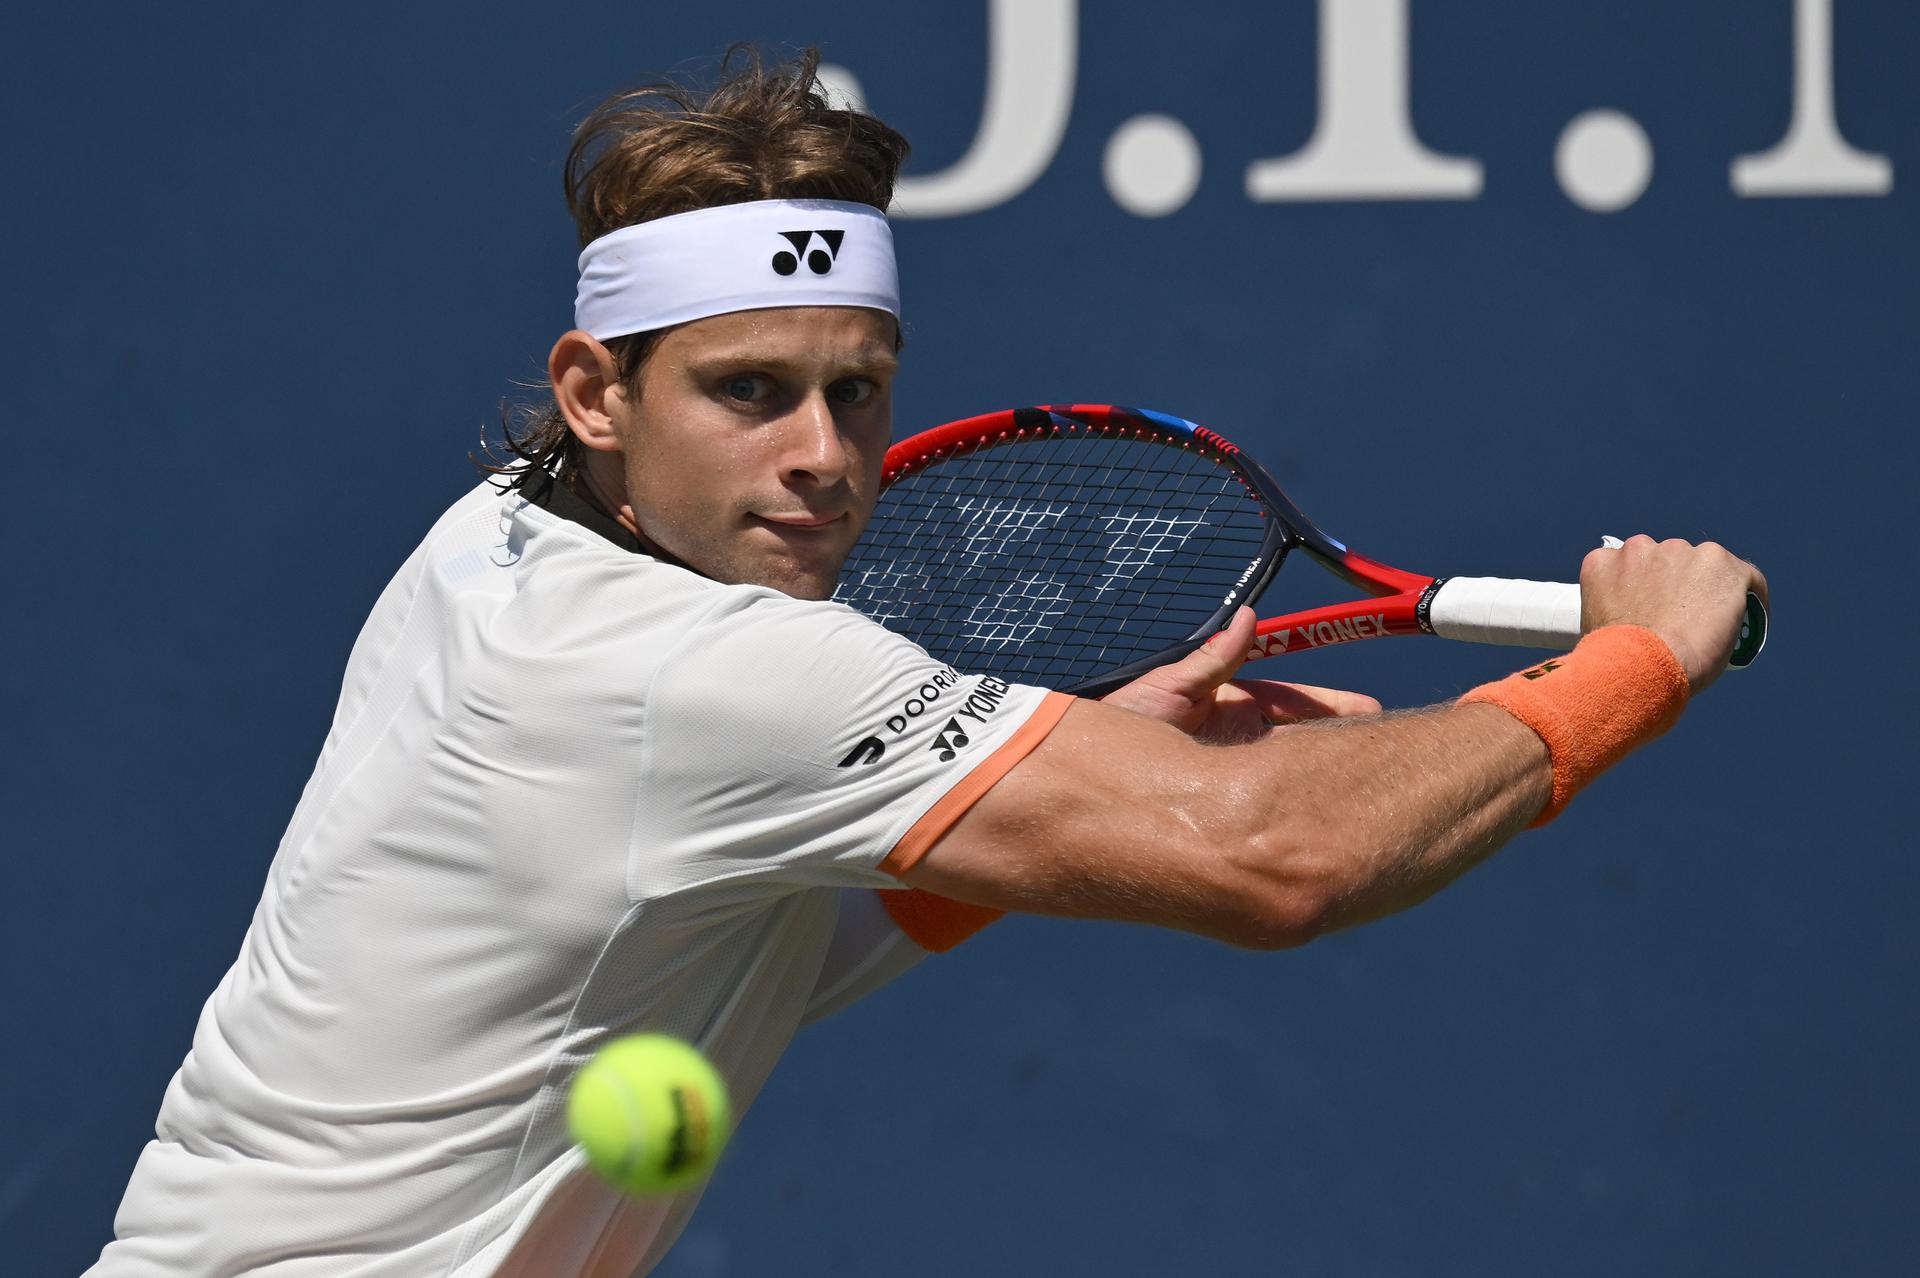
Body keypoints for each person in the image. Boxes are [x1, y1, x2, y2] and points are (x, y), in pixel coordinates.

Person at [88, 49, 1765, 1277]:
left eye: (858, 389)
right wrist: (1630, 667)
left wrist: (1039, 802)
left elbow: (703, 922)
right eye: (749, 391)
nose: (825, 454)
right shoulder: (694, 668)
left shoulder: (492, 547)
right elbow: (1277, 858)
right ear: (599, 393)